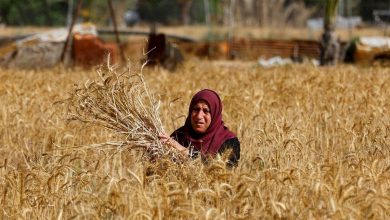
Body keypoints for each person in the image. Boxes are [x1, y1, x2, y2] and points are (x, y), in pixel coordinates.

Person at [159, 89, 240, 168]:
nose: (199, 116)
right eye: (196, 109)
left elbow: (221, 173)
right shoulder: (179, 135)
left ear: (215, 114)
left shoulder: (229, 142)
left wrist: (184, 151)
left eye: (206, 111)